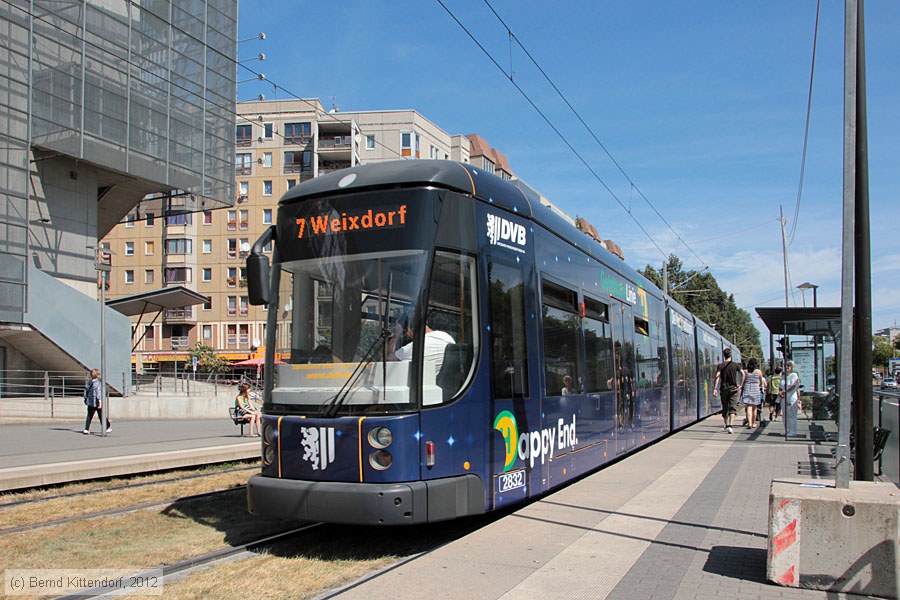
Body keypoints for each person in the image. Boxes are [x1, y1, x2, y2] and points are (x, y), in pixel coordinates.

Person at [387, 317, 455, 374]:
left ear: (410, 328)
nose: (408, 335)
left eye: (405, 332)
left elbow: (387, 358)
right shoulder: (447, 337)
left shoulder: (414, 348)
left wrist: (397, 334)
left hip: (422, 388)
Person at [713, 347, 741, 433]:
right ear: (731, 355)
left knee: (725, 407)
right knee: (732, 407)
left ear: (724, 355)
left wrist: (715, 388)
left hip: (724, 389)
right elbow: (743, 373)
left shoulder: (720, 365)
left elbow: (717, 376)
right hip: (733, 388)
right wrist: (741, 385)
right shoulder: (736, 365)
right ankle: (730, 426)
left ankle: (725, 425)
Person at [739, 358, 766, 429]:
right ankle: (753, 423)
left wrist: (742, 386)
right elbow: (760, 381)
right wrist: (759, 385)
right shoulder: (758, 372)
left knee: (749, 407)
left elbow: (743, 381)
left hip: (747, 388)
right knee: (754, 407)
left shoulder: (745, 371)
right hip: (755, 388)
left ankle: (749, 423)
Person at [83, 368, 111, 435]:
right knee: (101, 415)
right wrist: (100, 402)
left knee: (89, 416)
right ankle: (106, 427)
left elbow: (85, 392)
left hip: (90, 402)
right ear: (97, 375)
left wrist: (86, 399)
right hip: (96, 402)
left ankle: (86, 429)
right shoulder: (98, 384)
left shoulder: (89, 383)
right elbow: (98, 393)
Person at [780, 361, 801, 437]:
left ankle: (793, 431)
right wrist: (780, 392)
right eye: (785, 365)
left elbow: (792, 386)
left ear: (792, 367)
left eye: (788, 365)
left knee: (791, 415)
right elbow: (780, 385)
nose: (786, 367)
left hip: (791, 397)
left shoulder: (794, 375)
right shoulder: (783, 376)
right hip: (783, 398)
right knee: (784, 415)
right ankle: (787, 430)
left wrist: (784, 391)